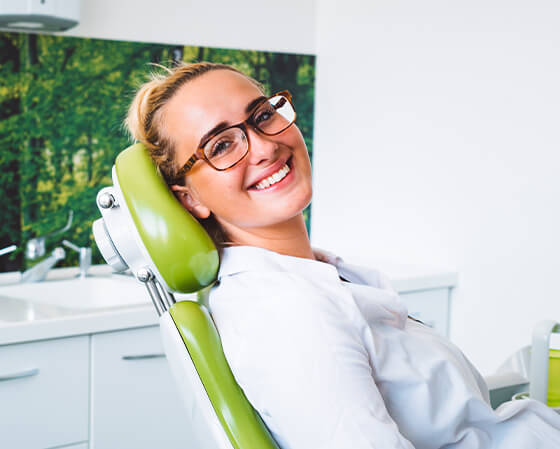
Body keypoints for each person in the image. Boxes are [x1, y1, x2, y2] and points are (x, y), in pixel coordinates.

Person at [124, 62, 560, 449]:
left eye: (262, 116)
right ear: (190, 201)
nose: (263, 146)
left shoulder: (309, 278)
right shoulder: (286, 311)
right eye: (221, 145)